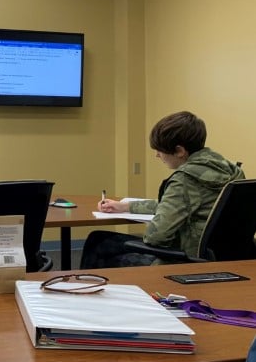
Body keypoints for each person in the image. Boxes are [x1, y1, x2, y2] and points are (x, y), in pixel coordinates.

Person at [80, 111, 245, 269]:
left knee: (98, 243)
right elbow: (179, 204)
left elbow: (156, 238)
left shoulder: (185, 180)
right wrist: (125, 206)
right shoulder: (231, 171)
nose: (157, 155)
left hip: (185, 261)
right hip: (228, 258)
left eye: (160, 150)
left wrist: (158, 222)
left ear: (180, 151)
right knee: (100, 238)